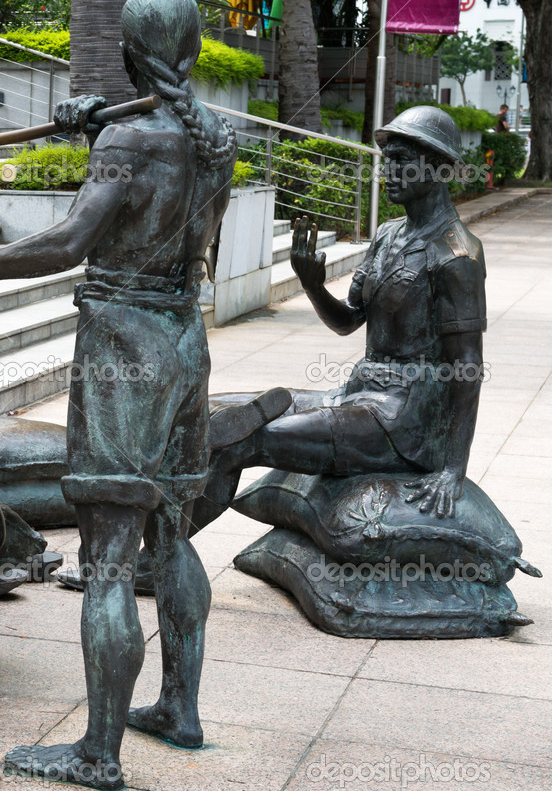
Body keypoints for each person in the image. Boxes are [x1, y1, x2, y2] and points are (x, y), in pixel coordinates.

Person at [0, 0, 290, 790]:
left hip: (123, 347)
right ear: (193, 51)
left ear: (131, 53)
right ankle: (179, 708)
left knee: (107, 554)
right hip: (183, 339)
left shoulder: (134, 140)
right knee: (172, 530)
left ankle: (98, 750)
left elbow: (72, 240)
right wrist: (98, 123)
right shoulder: (216, 137)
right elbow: (153, 166)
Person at [196, 106, 486, 525]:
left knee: (238, 440)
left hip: (405, 422)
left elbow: (467, 367)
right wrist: (312, 285)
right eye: (387, 161)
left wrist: (452, 469)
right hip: (357, 395)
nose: (387, 172)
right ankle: (145, 551)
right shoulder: (388, 235)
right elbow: (349, 320)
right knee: (204, 414)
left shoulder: (457, 254)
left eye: (401, 161)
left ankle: (156, 563)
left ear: (439, 169)